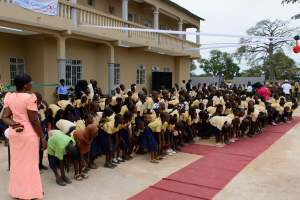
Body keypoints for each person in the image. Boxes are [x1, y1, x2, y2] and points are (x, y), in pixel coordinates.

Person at [1, 74, 46, 199]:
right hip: (28, 134)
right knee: (30, 164)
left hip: (15, 133)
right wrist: (42, 137)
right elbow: (34, 120)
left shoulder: (9, 97)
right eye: (31, 82)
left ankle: (18, 192)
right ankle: (30, 192)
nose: (32, 84)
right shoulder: (30, 97)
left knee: (17, 163)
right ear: (26, 85)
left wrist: (14, 124)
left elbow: (4, 116)